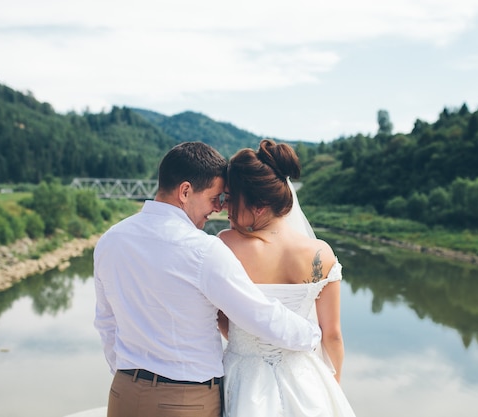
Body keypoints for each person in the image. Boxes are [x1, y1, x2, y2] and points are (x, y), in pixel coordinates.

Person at [93, 141, 322, 417]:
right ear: (185, 191)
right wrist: (311, 334)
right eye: (215, 198)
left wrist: (130, 377)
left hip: (123, 394)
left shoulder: (110, 240)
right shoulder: (203, 250)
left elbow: (106, 323)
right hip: (185, 401)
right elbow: (257, 314)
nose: (218, 208)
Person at [217, 139, 356, 417]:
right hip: (305, 378)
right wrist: (334, 383)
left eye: (232, 199)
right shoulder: (321, 253)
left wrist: (247, 342)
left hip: (243, 376)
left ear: (259, 205)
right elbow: (333, 335)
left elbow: (220, 317)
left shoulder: (225, 244)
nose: (225, 208)